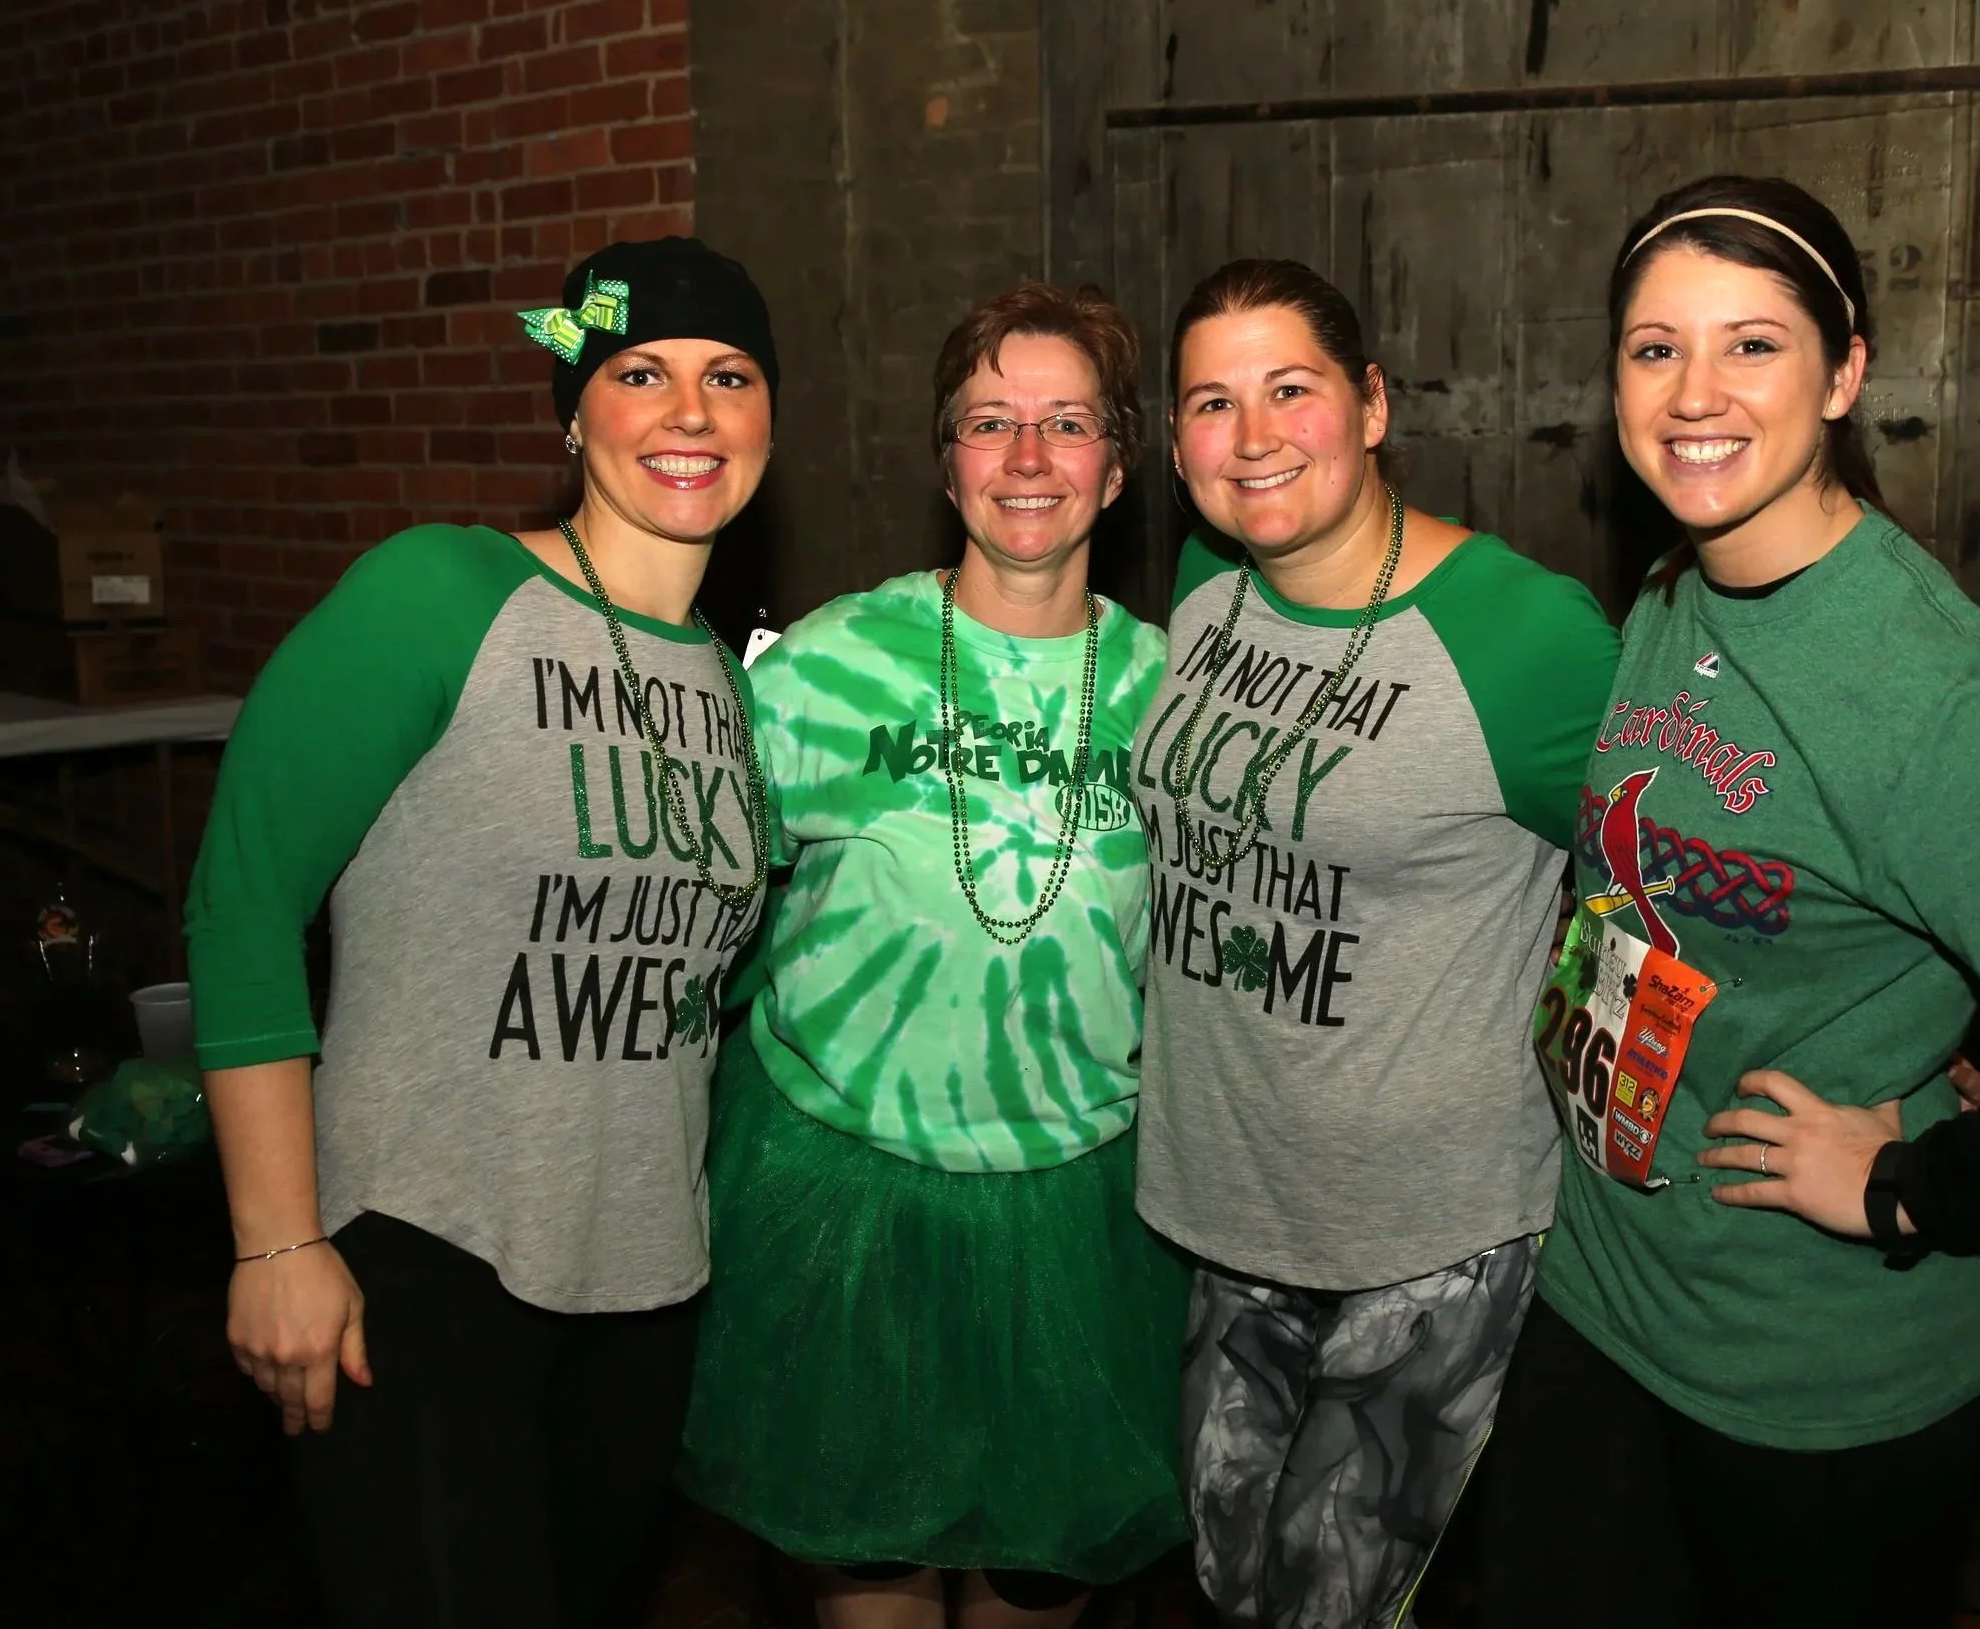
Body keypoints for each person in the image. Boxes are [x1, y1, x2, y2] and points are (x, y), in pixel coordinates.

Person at [1471, 175, 1980, 1629]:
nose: (1693, 393)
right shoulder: (1681, 584)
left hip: (1807, 1385)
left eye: (1754, 345)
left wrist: (1913, 1180)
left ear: (1845, 370)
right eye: (1655, 348)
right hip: (1604, 1294)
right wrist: (1978, 1021)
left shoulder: (1932, 692)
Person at [185, 236, 779, 1626]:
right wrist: (277, 1241)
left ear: (767, 420)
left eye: (730, 376)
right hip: (420, 1260)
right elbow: (244, 894)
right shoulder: (440, 593)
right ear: (576, 412)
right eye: (642, 373)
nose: (690, 412)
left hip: (643, 1285)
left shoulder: (733, 682)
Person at [676, 282, 1189, 1629]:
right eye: (989, 422)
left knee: (1036, 1590)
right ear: (944, 459)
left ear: (1119, 466)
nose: (1028, 458)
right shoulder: (828, 666)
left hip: (1079, 1216)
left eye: (1066, 423)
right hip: (844, 1205)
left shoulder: (1180, 696)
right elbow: (679, 913)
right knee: (870, 1588)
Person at [1130, 258, 1622, 1629]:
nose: (1254, 435)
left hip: (1431, 1234)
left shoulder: (1522, 637)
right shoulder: (1201, 586)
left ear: (1372, 404)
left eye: (1292, 389)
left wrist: (1908, 1042)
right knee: (1231, 1578)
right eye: (1212, 404)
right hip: (1232, 1204)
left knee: (1328, 1604)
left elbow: (1683, 873)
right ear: (1176, 444)